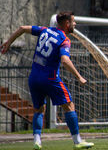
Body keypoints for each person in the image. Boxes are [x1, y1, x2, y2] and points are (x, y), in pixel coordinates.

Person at [0, 12, 94, 150]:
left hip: (33, 78)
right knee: (69, 106)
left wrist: (8, 42)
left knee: (39, 109)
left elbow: (22, 28)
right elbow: (65, 60)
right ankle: (77, 141)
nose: (75, 24)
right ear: (67, 24)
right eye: (73, 22)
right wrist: (79, 76)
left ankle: (37, 141)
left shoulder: (45, 30)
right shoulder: (64, 40)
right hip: (50, 78)